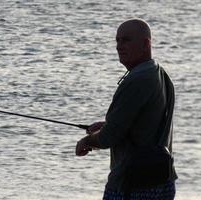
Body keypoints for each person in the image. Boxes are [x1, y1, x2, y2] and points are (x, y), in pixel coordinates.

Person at [75, 18, 178, 200]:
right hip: (163, 181)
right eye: (117, 40)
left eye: (126, 40)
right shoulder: (160, 73)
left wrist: (87, 141)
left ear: (146, 44)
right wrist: (107, 125)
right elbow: (145, 124)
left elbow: (108, 137)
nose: (119, 46)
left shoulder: (136, 80)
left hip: (132, 185)